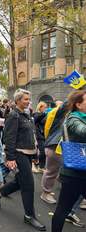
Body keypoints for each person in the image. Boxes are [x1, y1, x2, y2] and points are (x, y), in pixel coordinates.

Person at [0, 89, 46, 231]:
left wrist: (34, 156)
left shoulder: (27, 115)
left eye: (29, 99)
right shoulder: (13, 115)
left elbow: (31, 136)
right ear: (17, 101)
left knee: (19, 182)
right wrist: (9, 157)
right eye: (25, 99)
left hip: (28, 153)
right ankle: (29, 216)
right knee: (28, 184)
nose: (28, 101)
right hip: (18, 153)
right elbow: (9, 137)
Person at [52, 90, 86, 231]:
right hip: (74, 173)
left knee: (63, 208)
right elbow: (83, 131)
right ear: (78, 104)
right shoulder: (73, 118)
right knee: (63, 209)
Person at [40, 100, 67, 205]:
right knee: (51, 171)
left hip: (63, 147)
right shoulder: (58, 113)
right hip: (55, 146)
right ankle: (45, 193)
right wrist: (79, 89)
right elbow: (65, 105)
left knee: (62, 171)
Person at [32, 102, 48, 173]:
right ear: (40, 107)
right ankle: (40, 166)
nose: (46, 109)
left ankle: (38, 164)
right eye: (45, 107)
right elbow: (37, 118)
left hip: (43, 135)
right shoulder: (37, 114)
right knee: (42, 151)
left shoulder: (43, 114)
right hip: (38, 135)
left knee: (38, 151)